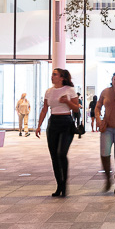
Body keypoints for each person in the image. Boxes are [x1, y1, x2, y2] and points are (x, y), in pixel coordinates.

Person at [35, 68, 81, 197]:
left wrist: (67, 101)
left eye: (55, 74)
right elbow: (45, 109)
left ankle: (64, 184)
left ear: (62, 78)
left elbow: (76, 109)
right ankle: (59, 185)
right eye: (52, 74)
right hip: (53, 122)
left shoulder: (69, 90)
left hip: (66, 122)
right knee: (54, 156)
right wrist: (39, 126)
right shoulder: (49, 92)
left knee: (61, 153)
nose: (52, 76)